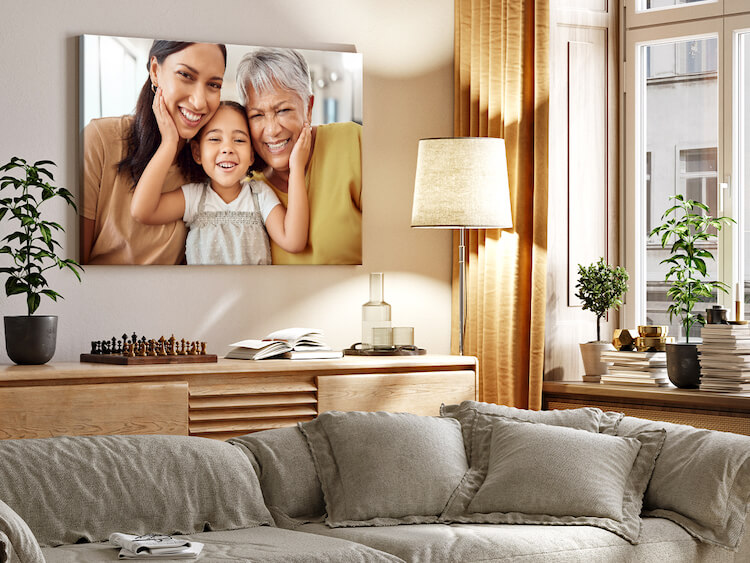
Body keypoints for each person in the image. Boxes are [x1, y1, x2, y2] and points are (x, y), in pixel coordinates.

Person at [81, 41, 227, 264]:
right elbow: (67, 270)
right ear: (155, 71)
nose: (199, 102)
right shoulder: (100, 139)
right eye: (186, 75)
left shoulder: (208, 168)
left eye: (214, 85)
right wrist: (169, 144)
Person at [130, 99, 310, 264]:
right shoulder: (195, 198)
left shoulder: (259, 196)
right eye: (215, 139)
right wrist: (169, 143)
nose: (227, 149)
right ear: (197, 152)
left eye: (239, 140)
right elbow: (142, 211)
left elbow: (294, 241)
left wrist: (296, 168)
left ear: (251, 155)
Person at [236, 47, 362, 265]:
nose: (272, 129)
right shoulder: (248, 191)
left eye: (283, 110)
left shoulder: (351, 141)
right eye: (257, 115)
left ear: (308, 107)